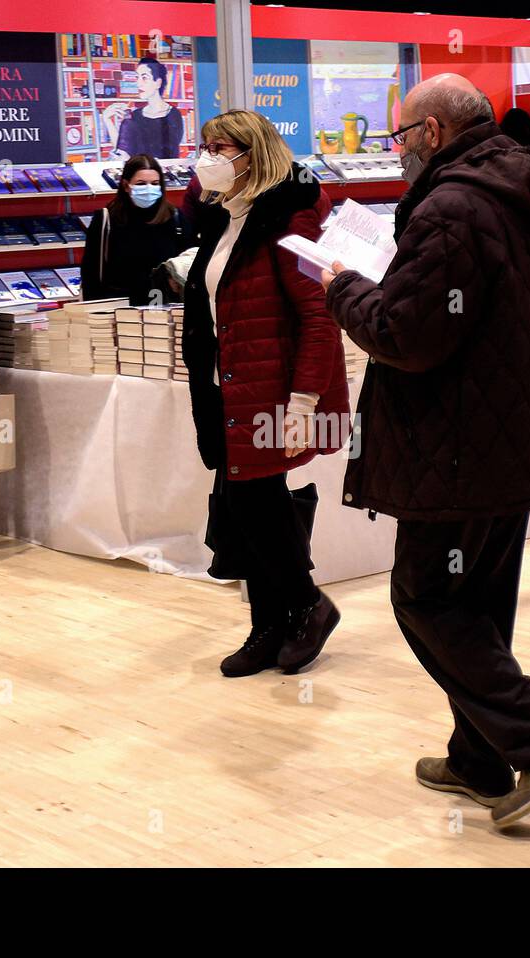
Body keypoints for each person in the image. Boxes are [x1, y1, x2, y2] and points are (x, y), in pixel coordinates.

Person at [322, 74, 530, 829]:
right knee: (479, 601)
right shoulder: (521, 194)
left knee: (427, 598)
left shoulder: (449, 208)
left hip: (458, 445)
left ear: (434, 133)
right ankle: (479, 756)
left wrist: (345, 288)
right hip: (514, 433)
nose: (398, 152)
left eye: (401, 137)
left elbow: (409, 335)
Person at [181, 109, 350, 678]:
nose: (207, 158)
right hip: (225, 388)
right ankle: (269, 623)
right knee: (246, 508)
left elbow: (320, 319)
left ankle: (306, 606)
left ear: (252, 155)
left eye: (220, 148)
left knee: (257, 504)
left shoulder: (291, 220)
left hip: (271, 394)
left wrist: (305, 402)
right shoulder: (226, 218)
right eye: (204, 146)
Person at [80, 153, 192, 305]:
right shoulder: (106, 220)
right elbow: (90, 272)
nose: (148, 188)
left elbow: (188, 262)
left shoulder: (175, 218)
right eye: (140, 183)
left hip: (166, 307)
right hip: (119, 309)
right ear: (126, 185)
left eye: (154, 183)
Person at [115, 58, 184, 159]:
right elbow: (123, 153)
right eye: (137, 77)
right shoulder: (134, 117)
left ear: (158, 83)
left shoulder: (173, 115)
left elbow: (171, 154)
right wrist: (108, 121)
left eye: (144, 78)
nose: (138, 84)